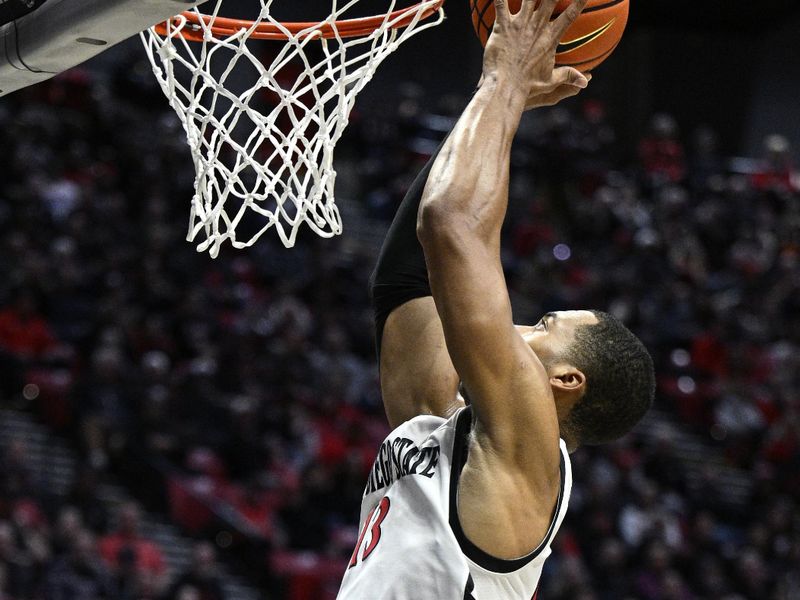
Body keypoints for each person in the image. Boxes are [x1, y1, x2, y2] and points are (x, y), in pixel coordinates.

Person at [336, 0, 655, 598]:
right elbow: (408, 281)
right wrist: (501, 106)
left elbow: (451, 220)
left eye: (542, 324)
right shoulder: (447, 435)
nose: (521, 326)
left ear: (564, 381)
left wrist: (504, 79)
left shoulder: (528, 449)